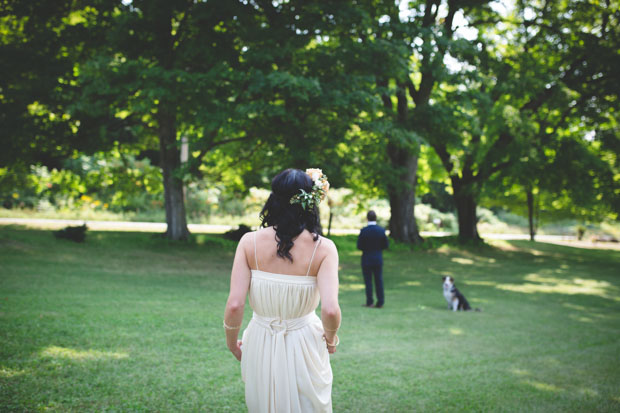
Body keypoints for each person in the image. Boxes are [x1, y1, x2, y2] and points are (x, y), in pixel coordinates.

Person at [224, 168, 341, 413]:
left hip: (260, 340)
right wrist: (330, 340)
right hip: (305, 342)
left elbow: (235, 304)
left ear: (273, 199)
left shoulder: (248, 243)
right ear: (311, 202)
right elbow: (330, 309)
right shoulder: (325, 249)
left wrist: (232, 344)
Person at [357, 210, 389, 308]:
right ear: (376, 218)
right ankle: (380, 302)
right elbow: (386, 245)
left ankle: (369, 301)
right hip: (377, 258)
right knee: (379, 280)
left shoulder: (364, 231)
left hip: (366, 258)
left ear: (367, 218)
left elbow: (359, 246)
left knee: (368, 281)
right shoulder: (381, 230)